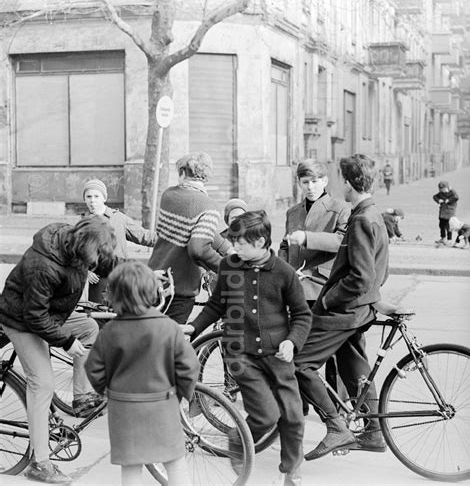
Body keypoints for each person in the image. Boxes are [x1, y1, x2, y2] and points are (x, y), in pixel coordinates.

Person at [183, 211, 312, 486]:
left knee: (293, 416)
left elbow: (302, 315)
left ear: (261, 241)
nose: (234, 247)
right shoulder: (229, 266)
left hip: (277, 354)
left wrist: (292, 341)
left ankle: (290, 472)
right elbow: (217, 305)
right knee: (266, 415)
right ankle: (237, 439)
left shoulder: (284, 273)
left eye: (241, 242)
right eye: (234, 241)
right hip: (240, 353)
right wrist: (194, 327)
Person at [0, 217, 117, 484]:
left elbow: (110, 263)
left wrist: (142, 276)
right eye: (94, 256)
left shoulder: (78, 247)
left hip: (52, 314)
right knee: (42, 384)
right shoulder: (44, 265)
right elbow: (35, 316)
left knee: (89, 329)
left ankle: (81, 397)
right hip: (22, 319)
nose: (95, 262)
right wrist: (66, 341)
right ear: (83, 246)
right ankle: (39, 463)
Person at [293, 154, 389, 461]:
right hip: (362, 307)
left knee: (298, 362)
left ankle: (336, 428)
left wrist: (329, 299)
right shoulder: (372, 213)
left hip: (347, 309)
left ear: (347, 183)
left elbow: (360, 277)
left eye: (340, 179)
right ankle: (373, 432)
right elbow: (378, 272)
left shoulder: (360, 219)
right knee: (353, 362)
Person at [85, 261, 199, 486]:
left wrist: (108, 391)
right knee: (175, 463)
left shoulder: (110, 332)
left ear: (115, 296)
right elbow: (189, 367)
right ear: (152, 292)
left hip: (124, 410)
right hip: (163, 405)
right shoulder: (168, 328)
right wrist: (181, 394)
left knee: (131, 467)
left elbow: (93, 368)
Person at [148, 152, 226, 324]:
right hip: (180, 286)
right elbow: (198, 249)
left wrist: (227, 248)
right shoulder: (208, 206)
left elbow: (193, 230)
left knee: (152, 338)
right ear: (205, 177)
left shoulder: (168, 196)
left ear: (182, 173)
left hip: (154, 276)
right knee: (171, 345)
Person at [279, 159, 350, 305]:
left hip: (322, 287)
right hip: (294, 288)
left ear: (324, 181)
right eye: (305, 182)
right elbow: (285, 245)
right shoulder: (293, 212)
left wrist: (306, 238)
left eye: (314, 181)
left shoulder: (341, 209)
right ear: (299, 183)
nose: (310, 187)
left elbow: (342, 241)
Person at [82, 178, 157, 303]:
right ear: (84, 199)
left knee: (122, 316)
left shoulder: (118, 218)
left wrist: (170, 238)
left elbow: (144, 236)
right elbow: (76, 253)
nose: (92, 200)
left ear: (104, 198)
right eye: (88, 196)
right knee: (98, 318)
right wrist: (85, 270)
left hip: (120, 276)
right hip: (98, 281)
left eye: (96, 196)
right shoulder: (83, 223)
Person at [433, 180, 459, 245]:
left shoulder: (452, 192)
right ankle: (443, 238)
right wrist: (439, 200)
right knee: (441, 225)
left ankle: (449, 239)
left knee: (449, 226)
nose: (443, 191)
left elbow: (456, 197)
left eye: (444, 189)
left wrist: (449, 200)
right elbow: (434, 197)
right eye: (441, 190)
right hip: (442, 212)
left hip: (450, 212)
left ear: (448, 187)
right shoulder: (441, 193)